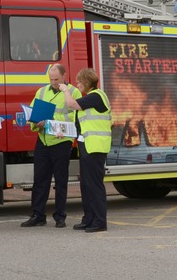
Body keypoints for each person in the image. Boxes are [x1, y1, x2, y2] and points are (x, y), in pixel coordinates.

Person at [21, 64, 81, 228]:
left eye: (56, 79)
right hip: (43, 139)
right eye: (51, 79)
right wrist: (36, 123)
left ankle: (60, 216)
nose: (53, 82)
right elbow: (32, 113)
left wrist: (49, 120)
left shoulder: (73, 92)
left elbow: (75, 117)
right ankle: (38, 215)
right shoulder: (41, 92)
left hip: (61, 141)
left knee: (61, 181)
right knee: (40, 180)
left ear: (64, 76)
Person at [59, 68, 112, 233]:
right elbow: (81, 125)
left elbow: (71, 104)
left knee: (94, 185)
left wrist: (66, 90)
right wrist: (64, 133)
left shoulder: (96, 96)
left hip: (95, 147)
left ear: (87, 82)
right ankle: (89, 219)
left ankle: (99, 221)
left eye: (79, 81)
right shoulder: (90, 98)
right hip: (87, 147)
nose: (77, 84)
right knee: (86, 185)